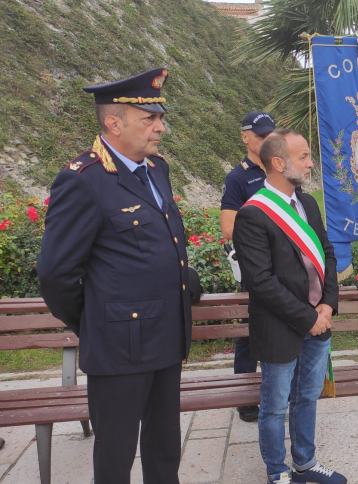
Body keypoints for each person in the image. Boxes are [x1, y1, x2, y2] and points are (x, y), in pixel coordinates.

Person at [37, 68, 199, 483]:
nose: (160, 127)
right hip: (119, 348)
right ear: (114, 122)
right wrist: (94, 320)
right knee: (115, 455)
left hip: (165, 335)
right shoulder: (84, 181)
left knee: (165, 448)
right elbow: (56, 275)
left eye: (160, 118)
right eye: (150, 119)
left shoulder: (156, 170)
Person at [232, 128, 346, 484]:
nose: (310, 163)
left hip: (318, 322)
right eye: (304, 157)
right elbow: (260, 281)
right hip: (280, 327)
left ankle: (305, 464)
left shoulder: (308, 204)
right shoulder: (253, 214)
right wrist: (308, 317)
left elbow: (326, 253)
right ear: (279, 163)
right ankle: (277, 473)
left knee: (307, 397)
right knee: (274, 406)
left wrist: (327, 305)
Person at [219, 111, 276, 422]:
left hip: (285, 269)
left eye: (271, 134)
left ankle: (278, 390)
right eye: (261, 135)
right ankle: (245, 396)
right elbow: (228, 227)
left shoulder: (282, 170)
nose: (268, 140)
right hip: (256, 269)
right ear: (245, 138)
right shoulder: (239, 178)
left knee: (281, 330)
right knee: (249, 333)